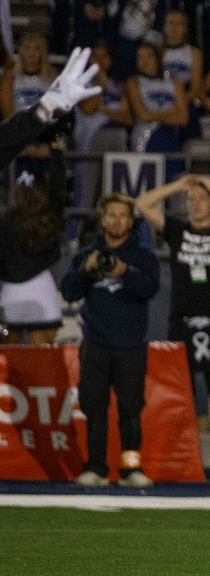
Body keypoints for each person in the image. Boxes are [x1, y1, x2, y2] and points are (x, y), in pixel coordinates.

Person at [134, 174, 210, 483]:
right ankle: (177, 449)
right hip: (182, 320)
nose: (195, 204)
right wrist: (178, 186)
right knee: (179, 389)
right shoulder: (177, 231)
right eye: (191, 200)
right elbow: (142, 204)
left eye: (202, 200)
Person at [61, 193, 160, 487]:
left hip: (131, 345)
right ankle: (96, 467)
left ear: (131, 221)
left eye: (123, 215)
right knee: (95, 408)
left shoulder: (143, 254)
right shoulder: (86, 254)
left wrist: (124, 272)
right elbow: (68, 292)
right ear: (102, 219)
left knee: (131, 410)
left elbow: (149, 289)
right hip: (96, 344)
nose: (117, 221)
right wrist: (85, 270)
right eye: (111, 215)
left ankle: (131, 468)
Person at [0, 142, 67, 344]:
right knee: (42, 363)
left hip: (11, 293)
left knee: (7, 364)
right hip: (42, 290)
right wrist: (57, 152)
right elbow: (59, 189)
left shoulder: (4, 223)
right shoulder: (50, 217)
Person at [72, 43, 131, 221]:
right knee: (85, 194)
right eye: (95, 56)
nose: (99, 61)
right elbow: (88, 109)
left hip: (116, 138)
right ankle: (73, 238)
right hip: (89, 143)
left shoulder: (119, 86)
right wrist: (101, 87)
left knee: (114, 193)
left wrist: (104, 110)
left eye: (104, 56)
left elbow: (128, 119)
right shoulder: (79, 84)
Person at [126, 42, 187, 179]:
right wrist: (172, 110)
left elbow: (183, 118)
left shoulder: (175, 82)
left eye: (149, 56)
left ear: (158, 58)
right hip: (145, 139)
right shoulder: (133, 82)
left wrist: (155, 116)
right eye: (140, 57)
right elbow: (144, 116)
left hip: (171, 138)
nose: (145, 61)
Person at [1, 33, 56, 174]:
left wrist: (48, 143)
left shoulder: (50, 78)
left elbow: (57, 112)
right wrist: (20, 144)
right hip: (18, 137)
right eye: (27, 48)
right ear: (20, 52)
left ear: (42, 53)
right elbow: (8, 113)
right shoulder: (10, 77)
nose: (31, 52)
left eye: (36, 48)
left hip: (44, 137)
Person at [104, 0, 171, 81]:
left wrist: (152, 46)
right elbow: (110, 21)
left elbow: (163, 17)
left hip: (149, 45)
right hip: (123, 47)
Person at [160, 10, 205, 142]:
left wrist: (178, 106)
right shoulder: (157, 52)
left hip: (186, 102)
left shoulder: (193, 53)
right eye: (171, 24)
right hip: (162, 102)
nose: (174, 28)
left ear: (185, 28)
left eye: (179, 24)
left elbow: (196, 88)